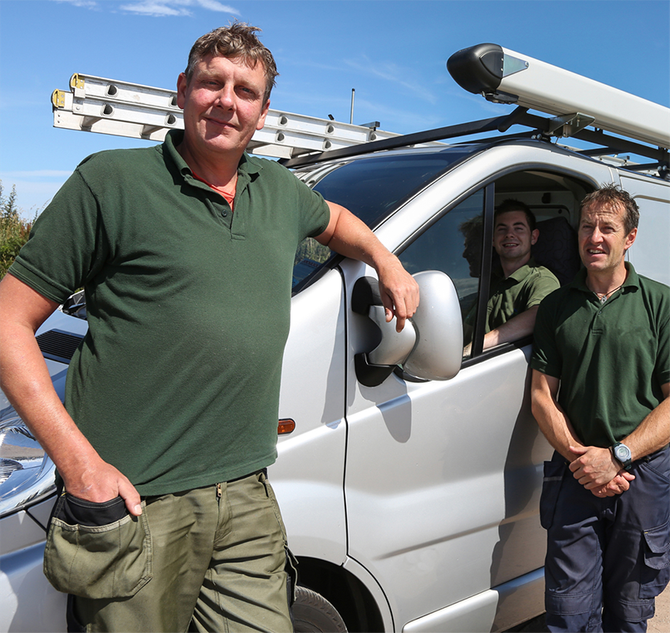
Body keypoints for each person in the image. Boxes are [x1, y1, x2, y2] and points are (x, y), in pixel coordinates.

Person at [0, 23, 419, 633]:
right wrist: (81, 466)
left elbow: (335, 220)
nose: (226, 101)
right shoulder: (111, 183)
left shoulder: (278, 188)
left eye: (245, 91)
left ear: (263, 112)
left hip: (246, 496)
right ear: (182, 89)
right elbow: (9, 321)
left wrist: (386, 260)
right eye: (211, 83)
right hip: (136, 502)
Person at [530, 184, 670, 632]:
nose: (594, 237)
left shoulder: (660, 303)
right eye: (587, 227)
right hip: (576, 474)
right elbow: (541, 396)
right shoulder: (556, 306)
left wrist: (617, 456)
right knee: (567, 613)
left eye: (607, 228)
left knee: (629, 613)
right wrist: (583, 459)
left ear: (630, 238)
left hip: (641, 476)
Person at [464, 200, 559, 353]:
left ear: (533, 237)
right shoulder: (490, 280)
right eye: (502, 229)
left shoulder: (541, 279)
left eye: (518, 228)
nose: (509, 234)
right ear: (493, 239)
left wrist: (476, 346)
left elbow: (539, 315)